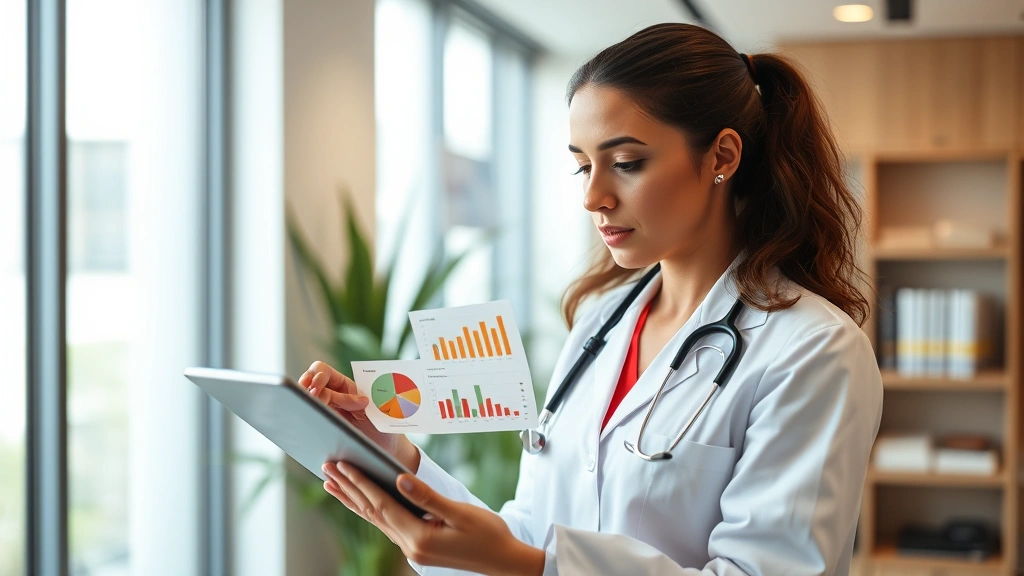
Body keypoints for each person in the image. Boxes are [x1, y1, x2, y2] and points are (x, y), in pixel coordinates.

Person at [298, 22, 882, 576]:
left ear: (722, 157)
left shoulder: (812, 351)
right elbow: (532, 534)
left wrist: (535, 567)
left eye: (626, 163)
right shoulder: (599, 326)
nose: (594, 197)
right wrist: (398, 462)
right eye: (582, 167)